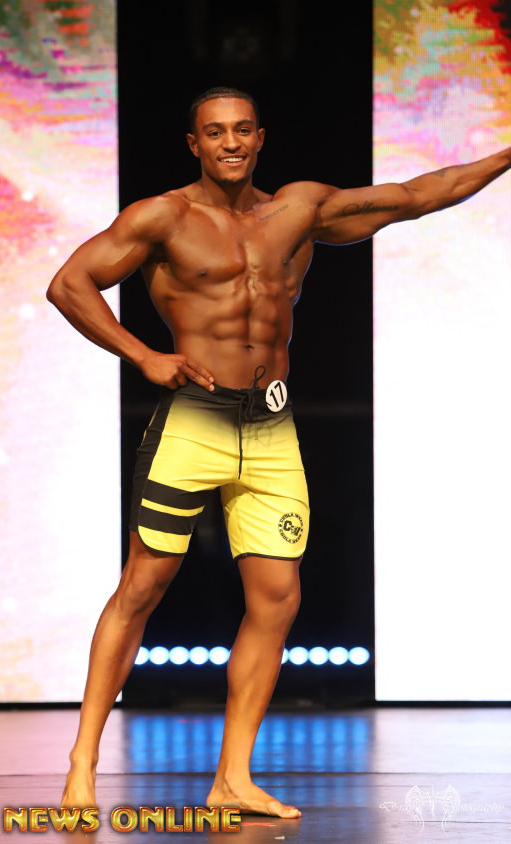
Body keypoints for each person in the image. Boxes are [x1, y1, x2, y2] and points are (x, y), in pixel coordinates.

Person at [46, 86, 510, 818]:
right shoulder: (163, 217)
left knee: (278, 598)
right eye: (214, 132)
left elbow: (421, 194)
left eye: (242, 130)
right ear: (194, 143)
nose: (230, 143)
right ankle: (81, 763)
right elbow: (69, 283)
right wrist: (143, 355)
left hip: (270, 427)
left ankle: (232, 778)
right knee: (142, 586)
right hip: (193, 422)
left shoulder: (299, 211)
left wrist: (508, 154)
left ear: (260, 137)